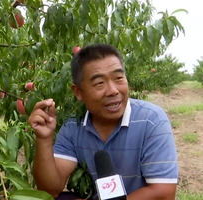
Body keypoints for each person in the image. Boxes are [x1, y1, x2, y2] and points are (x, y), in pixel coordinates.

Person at [28, 43, 178, 200]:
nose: (113, 90)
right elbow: (50, 191)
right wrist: (44, 139)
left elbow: (163, 193)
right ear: (78, 92)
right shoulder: (74, 126)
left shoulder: (151, 120)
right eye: (99, 83)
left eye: (118, 78)